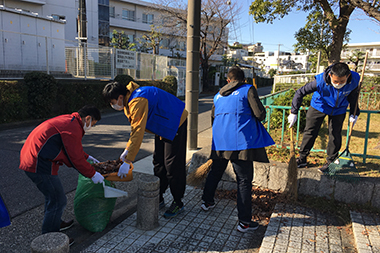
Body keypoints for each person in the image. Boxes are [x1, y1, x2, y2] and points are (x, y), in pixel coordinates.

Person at [201, 66, 274, 233]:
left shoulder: (217, 95)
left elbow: (213, 118)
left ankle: (206, 202)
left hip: (220, 142)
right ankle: (244, 222)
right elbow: (260, 114)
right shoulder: (248, 89)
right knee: (244, 180)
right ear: (244, 80)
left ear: (228, 80)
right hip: (240, 142)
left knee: (216, 171)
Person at [102, 81, 188, 218]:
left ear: (119, 97)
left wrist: (128, 160)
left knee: (172, 164)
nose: (112, 105)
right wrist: (127, 149)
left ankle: (178, 202)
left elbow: (138, 131)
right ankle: (158, 197)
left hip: (175, 121)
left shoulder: (137, 101)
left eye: (112, 101)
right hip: (162, 123)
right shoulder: (129, 100)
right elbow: (134, 130)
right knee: (158, 162)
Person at [19, 105, 104, 238]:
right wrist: (92, 174)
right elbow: (75, 158)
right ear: (87, 118)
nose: (90, 128)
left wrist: (87, 157)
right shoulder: (73, 127)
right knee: (58, 200)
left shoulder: (70, 121)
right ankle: (51, 238)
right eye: (92, 124)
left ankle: (54, 223)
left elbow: (72, 148)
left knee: (52, 197)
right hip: (39, 164)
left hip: (33, 159)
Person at [287, 62, 360, 172]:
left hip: (339, 108)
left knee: (335, 134)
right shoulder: (320, 81)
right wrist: (294, 112)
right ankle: (302, 158)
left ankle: (331, 162)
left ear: (348, 76)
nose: (338, 84)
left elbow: (353, 96)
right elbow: (300, 92)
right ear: (330, 75)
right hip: (319, 105)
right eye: (335, 81)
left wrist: (354, 114)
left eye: (342, 82)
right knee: (310, 131)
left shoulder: (354, 80)